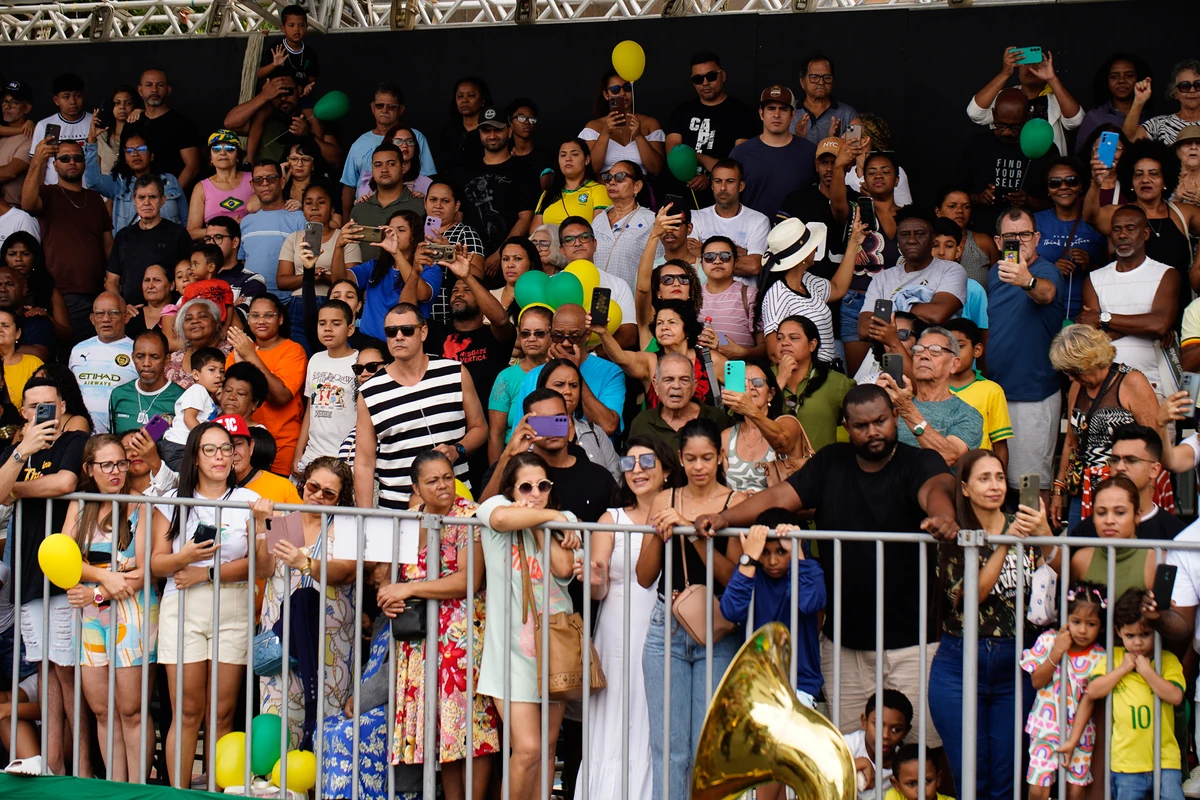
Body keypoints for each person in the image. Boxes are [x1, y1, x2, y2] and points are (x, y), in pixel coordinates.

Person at [694, 384, 959, 738]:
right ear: (846, 427)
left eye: (880, 421)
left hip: (912, 643)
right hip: (843, 644)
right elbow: (779, 496)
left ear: (896, 417)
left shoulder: (919, 461)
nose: (872, 431)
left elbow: (937, 489)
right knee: (847, 754)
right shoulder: (832, 460)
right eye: (861, 426)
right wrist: (725, 518)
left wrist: (943, 516)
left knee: (918, 752)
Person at [149, 421, 271, 789]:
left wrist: (207, 572)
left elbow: (265, 565)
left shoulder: (252, 500)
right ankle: (178, 793)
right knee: (186, 711)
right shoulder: (172, 501)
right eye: (211, 449)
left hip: (232, 606)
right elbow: (156, 563)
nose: (221, 456)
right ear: (195, 457)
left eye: (227, 448)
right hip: (181, 605)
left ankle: (217, 791)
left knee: (222, 713)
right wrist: (183, 556)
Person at [928, 449, 1052, 800]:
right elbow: (969, 596)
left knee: (1008, 774)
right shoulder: (957, 534)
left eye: (999, 477)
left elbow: (1057, 577)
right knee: (971, 775)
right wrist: (1007, 544)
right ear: (965, 488)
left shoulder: (1025, 524)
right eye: (984, 478)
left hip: (1018, 659)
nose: (995, 485)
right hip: (961, 659)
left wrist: (1045, 534)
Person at [376, 450, 499, 798]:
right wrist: (389, 595)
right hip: (418, 637)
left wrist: (410, 588)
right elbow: (390, 578)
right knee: (444, 729)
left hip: (459, 637)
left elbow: (467, 580)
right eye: (433, 480)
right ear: (416, 486)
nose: (444, 485)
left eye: (448, 477)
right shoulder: (409, 518)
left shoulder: (468, 515)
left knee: (472, 728)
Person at [636, 418, 747, 800]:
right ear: (680, 460)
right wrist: (659, 531)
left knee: (706, 744)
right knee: (668, 746)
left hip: (717, 627)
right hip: (665, 624)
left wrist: (693, 532)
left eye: (707, 458)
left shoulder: (737, 503)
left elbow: (735, 579)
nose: (699, 467)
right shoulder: (663, 499)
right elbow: (645, 576)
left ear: (720, 458)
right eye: (691, 459)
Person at [475, 451, 582, 800]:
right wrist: (549, 516)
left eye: (543, 485)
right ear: (510, 489)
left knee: (549, 747)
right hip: (510, 652)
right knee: (528, 749)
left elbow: (564, 568)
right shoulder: (493, 508)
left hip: (554, 647)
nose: (534, 493)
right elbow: (504, 519)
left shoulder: (562, 519)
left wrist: (542, 524)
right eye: (525, 487)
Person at [578, 436, 676, 800]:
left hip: (665, 621)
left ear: (666, 470)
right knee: (616, 715)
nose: (637, 470)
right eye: (628, 463)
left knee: (657, 711)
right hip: (616, 629)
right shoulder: (612, 518)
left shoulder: (679, 512)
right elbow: (598, 584)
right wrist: (594, 576)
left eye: (647, 462)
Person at [0, 376, 88, 776]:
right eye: (33, 408)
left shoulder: (73, 442)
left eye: (48, 406)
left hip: (67, 568)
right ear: (22, 412)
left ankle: (81, 771)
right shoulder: (15, 450)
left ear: (63, 408)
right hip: (29, 569)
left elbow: (65, 482)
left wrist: (14, 489)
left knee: (68, 674)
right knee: (44, 667)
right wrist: (22, 453)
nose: (41, 414)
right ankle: (51, 764)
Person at [61, 433, 157, 783]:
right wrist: (99, 583)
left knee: (132, 710)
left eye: (120, 463)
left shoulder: (140, 504)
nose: (116, 471)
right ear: (90, 468)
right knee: (102, 710)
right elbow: (62, 556)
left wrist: (98, 592)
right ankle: (115, 787)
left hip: (132, 613)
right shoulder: (81, 504)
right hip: (89, 615)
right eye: (106, 465)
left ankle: (138, 787)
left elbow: (144, 568)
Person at [258, 456, 356, 749]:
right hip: (281, 637)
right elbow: (264, 569)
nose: (318, 496)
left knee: (325, 728)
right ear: (303, 484)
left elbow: (346, 571)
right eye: (314, 486)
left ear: (339, 500)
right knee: (279, 727)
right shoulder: (286, 520)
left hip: (327, 643)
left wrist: (306, 563)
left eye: (329, 493)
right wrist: (259, 526)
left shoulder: (345, 525)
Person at [354, 302, 486, 506]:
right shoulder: (370, 392)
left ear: (423, 332)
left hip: (455, 505)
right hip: (396, 510)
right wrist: (365, 519)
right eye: (391, 331)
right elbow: (363, 463)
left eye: (406, 330)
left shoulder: (455, 373)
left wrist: (457, 449)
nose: (398, 336)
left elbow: (480, 427)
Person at [986, 207, 1066, 499]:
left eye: (1025, 234)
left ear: (1037, 237)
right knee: (996, 485)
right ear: (998, 241)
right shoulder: (996, 273)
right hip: (996, 393)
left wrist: (1026, 280)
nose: (1018, 241)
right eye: (1010, 236)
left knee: (1031, 488)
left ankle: (1039, 545)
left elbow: (1045, 293)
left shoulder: (1045, 270)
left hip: (1032, 395)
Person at [1050, 324, 1160, 532]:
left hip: (1125, 491)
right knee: (1080, 555)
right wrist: (1058, 489)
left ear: (1091, 360)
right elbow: (1072, 443)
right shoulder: (1077, 387)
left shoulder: (1132, 382)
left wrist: (1148, 493)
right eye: (1067, 372)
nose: (1071, 378)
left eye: (1075, 370)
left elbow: (1153, 442)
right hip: (1082, 492)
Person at [1083, 587, 1185, 800]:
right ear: (1118, 631)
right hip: (1126, 763)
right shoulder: (1114, 658)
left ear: (1156, 631)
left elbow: (1175, 696)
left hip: (1165, 761)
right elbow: (1093, 690)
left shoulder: (1166, 660)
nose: (1137, 643)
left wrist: (1148, 672)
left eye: (1145, 635)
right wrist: (1122, 669)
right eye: (1130, 635)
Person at [1087, 141, 1199, 329]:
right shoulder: (1119, 215)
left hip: (1178, 315)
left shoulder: (1183, 213)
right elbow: (1091, 217)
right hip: (1126, 314)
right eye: (1138, 174)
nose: (1145, 179)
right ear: (1130, 181)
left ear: (1165, 180)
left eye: (1153, 174)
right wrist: (1095, 184)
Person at [426, 248, 514, 486]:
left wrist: (467, 277)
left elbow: (502, 320)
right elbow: (405, 315)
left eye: (466, 291)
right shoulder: (436, 333)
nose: (458, 294)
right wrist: (414, 272)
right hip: (440, 434)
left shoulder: (492, 336)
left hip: (483, 435)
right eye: (454, 290)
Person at [720, 506, 825, 706]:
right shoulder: (751, 573)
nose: (773, 561)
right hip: (755, 684)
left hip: (799, 685)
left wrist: (797, 552)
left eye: (781, 551)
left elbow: (808, 602)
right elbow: (730, 610)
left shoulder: (809, 570)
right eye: (765, 552)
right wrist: (749, 557)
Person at [1080, 205, 1180, 398]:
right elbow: (1093, 338)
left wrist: (1102, 318)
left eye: (1130, 228)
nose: (1123, 235)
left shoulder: (1166, 274)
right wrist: (1144, 328)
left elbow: (1159, 325)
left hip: (1155, 384)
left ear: (1145, 234)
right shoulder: (1094, 279)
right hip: (1105, 386)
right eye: (1117, 229)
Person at [1019, 583, 1108, 800]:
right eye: (1076, 622)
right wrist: (1057, 652)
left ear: (1101, 627)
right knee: (1039, 788)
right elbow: (1036, 681)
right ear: (1065, 618)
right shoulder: (1049, 640)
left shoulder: (1100, 657)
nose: (1083, 630)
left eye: (1091, 624)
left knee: (1075, 791)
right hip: (1045, 727)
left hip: (1081, 732)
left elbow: (1093, 698)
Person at [20, 136, 113, 341]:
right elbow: (27, 203)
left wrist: (113, 287)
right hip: (61, 293)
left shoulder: (96, 199)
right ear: (54, 164)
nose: (72, 162)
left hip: (98, 293)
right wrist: (37, 161)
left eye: (77, 158)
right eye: (65, 158)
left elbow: (108, 247)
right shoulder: (48, 193)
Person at [483, 388, 618, 526]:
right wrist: (508, 455)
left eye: (558, 420)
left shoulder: (598, 477)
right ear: (528, 426)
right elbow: (483, 513)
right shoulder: (509, 469)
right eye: (543, 423)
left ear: (569, 421)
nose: (552, 429)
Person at [507, 303, 625, 439]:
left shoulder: (610, 372)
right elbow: (523, 432)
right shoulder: (534, 375)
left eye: (574, 337)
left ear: (587, 335)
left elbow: (607, 426)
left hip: (594, 457)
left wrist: (575, 372)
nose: (565, 343)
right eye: (558, 336)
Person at [758, 214, 858, 362]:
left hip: (827, 373)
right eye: (811, 245)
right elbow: (774, 353)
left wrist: (854, 242)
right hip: (806, 379)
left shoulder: (808, 280)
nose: (816, 248)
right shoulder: (777, 294)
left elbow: (837, 288)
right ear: (802, 257)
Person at [877, 328, 983, 466]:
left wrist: (906, 410)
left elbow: (949, 457)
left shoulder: (967, 414)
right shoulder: (893, 405)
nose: (924, 356)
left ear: (954, 364)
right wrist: (877, 403)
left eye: (935, 351)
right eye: (918, 350)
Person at [226, 294, 307, 475]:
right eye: (255, 315)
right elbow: (229, 399)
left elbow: (281, 396)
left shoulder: (293, 350)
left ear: (280, 319)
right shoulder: (237, 353)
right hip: (243, 446)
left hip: (282, 446)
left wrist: (251, 356)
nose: (261, 320)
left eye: (268, 315)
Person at [857, 212, 968, 344]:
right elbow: (864, 329)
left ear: (932, 239)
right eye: (904, 235)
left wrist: (891, 312)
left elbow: (937, 315)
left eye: (920, 234)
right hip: (891, 358)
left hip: (935, 355)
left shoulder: (950, 270)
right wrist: (918, 310)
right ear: (898, 241)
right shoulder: (882, 278)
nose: (912, 240)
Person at [959, 88, 1057, 235]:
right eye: (1001, 125)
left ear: (1028, 117)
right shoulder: (977, 145)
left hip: (1030, 235)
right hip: (984, 233)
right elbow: (957, 195)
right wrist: (979, 198)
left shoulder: (1045, 149)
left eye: (1014, 127)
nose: (1007, 132)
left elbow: (1057, 202)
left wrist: (1028, 201)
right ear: (993, 114)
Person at [454, 107, 537, 274]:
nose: (492, 136)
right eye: (486, 130)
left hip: (509, 261)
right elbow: (458, 214)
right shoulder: (465, 171)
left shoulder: (524, 170)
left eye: (497, 130)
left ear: (509, 131)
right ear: (479, 133)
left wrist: (501, 254)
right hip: (467, 257)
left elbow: (526, 217)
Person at [664, 52, 756, 201]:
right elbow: (672, 149)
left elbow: (739, 160)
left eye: (711, 76)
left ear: (723, 76)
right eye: (698, 79)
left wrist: (704, 168)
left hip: (721, 199)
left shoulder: (741, 112)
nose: (705, 83)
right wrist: (690, 167)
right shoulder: (682, 111)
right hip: (682, 196)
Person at [275, 183, 361, 342]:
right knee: (302, 355)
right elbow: (281, 281)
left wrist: (323, 277)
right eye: (308, 203)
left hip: (334, 304)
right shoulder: (294, 238)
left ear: (333, 210)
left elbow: (351, 282)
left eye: (321, 202)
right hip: (298, 304)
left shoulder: (345, 238)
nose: (314, 207)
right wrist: (309, 275)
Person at [967, 47, 1083, 159]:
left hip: (1047, 168)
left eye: (1037, 62)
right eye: (1026, 62)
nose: (1030, 67)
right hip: (1012, 167)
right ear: (1018, 67)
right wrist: (1005, 73)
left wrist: (1052, 79)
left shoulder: (1057, 98)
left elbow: (1076, 121)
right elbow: (975, 113)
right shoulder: (1006, 98)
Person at [1072, 424, 1183, 542]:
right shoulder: (1085, 531)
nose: (1120, 467)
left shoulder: (1177, 534)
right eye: (1115, 460)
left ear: (1154, 470)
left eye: (1131, 460)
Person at [719, 359, 813, 494]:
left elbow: (781, 440)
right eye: (743, 383)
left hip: (776, 513)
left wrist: (750, 410)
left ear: (770, 394)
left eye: (757, 382)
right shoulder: (727, 437)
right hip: (737, 512)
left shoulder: (788, 423)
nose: (750, 387)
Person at [340, 83, 436, 212]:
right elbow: (349, 186)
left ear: (401, 109)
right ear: (372, 108)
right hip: (368, 212)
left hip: (409, 212)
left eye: (391, 106)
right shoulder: (359, 143)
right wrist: (346, 220)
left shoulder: (415, 137)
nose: (384, 110)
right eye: (380, 106)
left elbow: (428, 181)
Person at [343, 210, 443, 334]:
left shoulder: (429, 267)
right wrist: (338, 247)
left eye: (401, 230)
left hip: (403, 343)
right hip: (368, 344)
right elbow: (341, 280)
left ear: (414, 235)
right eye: (390, 230)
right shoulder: (374, 266)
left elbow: (422, 295)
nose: (394, 234)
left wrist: (396, 253)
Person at [597, 300, 710, 406]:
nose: (664, 327)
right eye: (659, 323)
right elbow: (620, 357)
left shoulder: (709, 359)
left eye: (672, 322)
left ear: (687, 329)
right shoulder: (650, 361)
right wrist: (603, 333)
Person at [1033, 158, 1106, 320]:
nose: (1063, 187)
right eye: (1055, 183)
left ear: (1081, 186)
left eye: (1071, 181)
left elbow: (1113, 269)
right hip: (1043, 312)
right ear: (1047, 189)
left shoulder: (1095, 222)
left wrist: (1089, 264)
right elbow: (1019, 268)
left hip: (1087, 313)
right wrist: (1052, 269)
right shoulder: (1034, 222)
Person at [84, 119, 188, 232]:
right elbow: (93, 181)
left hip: (169, 247)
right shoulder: (118, 182)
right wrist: (91, 142)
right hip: (129, 249)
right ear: (125, 158)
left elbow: (186, 220)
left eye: (141, 149)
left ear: (152, 155)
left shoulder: (169, 180)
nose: (135, 154)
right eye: (129, 150)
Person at [729, 85, 817, 219]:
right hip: (751, 236)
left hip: (797, 236)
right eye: (771, 109)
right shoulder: (740, 153)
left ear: (792, 114)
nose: (777, 115)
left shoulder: (809, 151)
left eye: (783, 109)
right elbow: (728, 199)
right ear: (761, 113)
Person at [103, 175, 192, 305]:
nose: (146, 202)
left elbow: (191, 277)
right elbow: (111, 281)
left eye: (152, 197)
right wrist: (124, 307)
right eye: (141, 197)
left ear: (163, 200)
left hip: (169, 314)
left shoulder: (178, 234)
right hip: (131, 315)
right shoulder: (123, 236)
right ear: (134, 200)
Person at [293, 298, 358, 473]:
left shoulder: (360, 363)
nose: (327, 328)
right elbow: (310, 410)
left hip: (345, 458)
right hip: (312, 455)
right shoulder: (315, 360)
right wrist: (299, 453)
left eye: (336, 323)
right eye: (322, 323)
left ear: (350, 329)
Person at [772, 314, 853, 453]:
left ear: (812, 345)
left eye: (794, 338)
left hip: (821, 470)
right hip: (774, 470)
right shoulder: (761, 377)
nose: (784, 342)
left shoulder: (837, 382)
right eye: (780, 338)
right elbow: (746, 418)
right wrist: (780, 380)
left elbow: (861, 424)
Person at [557, 217, 638, 348]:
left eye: (584, 237)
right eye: (569, 240)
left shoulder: (618, 285)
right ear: (562, 250)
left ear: (595, 243)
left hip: (603, 362)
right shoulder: (550, 285)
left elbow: (629, 335)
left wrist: (592, 356)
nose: (577, 243)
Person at [535, 358, 621, 481]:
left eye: (574, 385)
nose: (568, 391)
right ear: (543, 388)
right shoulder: (531, 433)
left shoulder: (595, 433)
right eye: (559, 385)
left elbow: (618, 481)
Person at [944, 319, 1013, 468]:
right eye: (946, 349)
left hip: (979, 474)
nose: (953, 354)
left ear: (977, 350)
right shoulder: (933, 389)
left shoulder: (991, 391)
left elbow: (1000, 446)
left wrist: (997, 481)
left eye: (960, 346)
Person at [488, 304, 553, 460]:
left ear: (553, 334)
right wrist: (496, 476)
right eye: (525, 333)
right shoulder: (506, 377)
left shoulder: (561, 373)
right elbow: (495, 435)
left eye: (539, 333)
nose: (531, 339)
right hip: (516, 461)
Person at [628, 352, 730, 452]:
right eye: (668, 379)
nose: (676, 386)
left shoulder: (716, 419)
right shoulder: (642, 423)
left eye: (684, 380)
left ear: (694, 386)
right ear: (656, 386)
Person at [67, 292, 136, 434]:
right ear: (92, 319)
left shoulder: (138, 351)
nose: (106, 319)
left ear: (126, 316)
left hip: (118, 439)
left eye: (114, 313)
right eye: (99, 313)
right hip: (78, 436)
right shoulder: (78, 350)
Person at [238, 160, 306, 300]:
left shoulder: (300, 218)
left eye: (271, 178)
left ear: (282, 182)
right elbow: (242, 262)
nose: (264, 183)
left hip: (291, 299)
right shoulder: (245, 222)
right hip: (252, 300)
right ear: (252, 186)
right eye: (258, 180)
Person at [689, 160, 769, 278]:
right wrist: (739, 253)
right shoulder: (696, 217)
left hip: (742, 295)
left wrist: (703, 252)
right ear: (712, 185)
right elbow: (688, 257)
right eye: (718, 181)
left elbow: (754, 266)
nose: (723, 188)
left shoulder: (758, 220)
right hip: (702, 294)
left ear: (741, 186)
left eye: (730, 181)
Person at [420, 180, 485, 324]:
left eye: (445, 201)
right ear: (425, 203)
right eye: (433, 200)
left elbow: (478, 275)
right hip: (417, 314)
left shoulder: (465, 233)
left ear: (456, 206)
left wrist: (449, 252)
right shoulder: (415, 232)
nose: (438, 205)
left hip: (449, 315)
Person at [580, 70, 665, 175]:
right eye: (615, 90)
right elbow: (590, 170)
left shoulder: (650, 124)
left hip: (639, 189)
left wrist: (639, 135)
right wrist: (605, 133)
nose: (623, 93)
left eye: (627, 87)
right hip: (604, 189)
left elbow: (656, 169)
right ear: (606, 95)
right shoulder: (593, 127)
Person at [593, 160, 658, 291]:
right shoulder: (598, 220)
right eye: (608, 177)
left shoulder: (650, 221)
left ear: (637, 186)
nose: (612, 182)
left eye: (620, 177)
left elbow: (658, 266)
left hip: (632, 301)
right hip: (596, 302)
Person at [132, 68, 201, 192]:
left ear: (168, 90)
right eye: (149, 85)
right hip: (136, 199)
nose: (154, 89)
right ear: (140, 90)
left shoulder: (183, 124)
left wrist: (169, 195)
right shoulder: (132, 124)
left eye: (160, 85)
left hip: (172, 197)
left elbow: (193, 166)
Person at [108, 329, 183, 435]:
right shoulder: (119, 394)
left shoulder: (181, 397)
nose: (146, 363)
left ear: (167, 359)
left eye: (154, 357)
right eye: (140, 357)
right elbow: (113, 440)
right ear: (133, 357)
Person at [161, 346, 225, 469]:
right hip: (179, 445)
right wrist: (207, 440)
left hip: (184, 445)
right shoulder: (197, 390)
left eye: (222, 371)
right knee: (186, 480)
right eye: (212, 370)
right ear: (195, 374)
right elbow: (189, 418)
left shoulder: (207, 397)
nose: (218, 376)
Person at [2, 232, 72, 345]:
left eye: (25, 254)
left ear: (35, 257)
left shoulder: (47, 289)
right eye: (12, 254)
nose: (18, 259)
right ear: (4, 257)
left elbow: (67, 335)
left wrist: (47, 318)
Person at [186, 130, 255, 239]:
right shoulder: (201, 187)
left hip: (251, 242)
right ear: (210, 158)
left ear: (238, 156)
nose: (222, 153)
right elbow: (192, 232)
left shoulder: (254, 178)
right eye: (216, 149)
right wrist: (225, 230)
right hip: (217, 249)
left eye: (230, 149)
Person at [844, 690, 912, 800]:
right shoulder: (849, 745)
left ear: (906, 732)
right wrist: (855, 765)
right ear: (864, 722)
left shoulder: (903, 766)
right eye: (878, 725)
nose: (885, 735)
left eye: (896, 729)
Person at [1076, 53, 1151, 150]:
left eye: (1129, 75)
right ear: (1107, 82)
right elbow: (1081, 158)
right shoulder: (1094, 118)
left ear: (1139, 79)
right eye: (1114, 77)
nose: (1121, 80)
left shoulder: (1151, 118)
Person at [532, 137, 611, 230]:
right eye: (563, 155)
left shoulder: (600, 190)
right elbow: (535, 232)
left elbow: (600, 231)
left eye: (574, 154)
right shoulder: (547, 194)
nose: (568, 159)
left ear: (587, 160)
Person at [28, 73, 92, 185]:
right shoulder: (44, 126)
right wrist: (40, 195)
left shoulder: (95, 122)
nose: (73, 101)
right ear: (56, 100)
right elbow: (39, 164)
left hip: (91, 193)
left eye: (77, 96)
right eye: (66, 97)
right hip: (54, 195)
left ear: (83, 96)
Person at [933, 187, 1001, 287]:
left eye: (966, 207)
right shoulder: (927, 241)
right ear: (938, 211)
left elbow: (998, 281)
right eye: (952, 206)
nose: (960, 210)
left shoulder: (983, 242)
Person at [1124, 59, 1200, 145]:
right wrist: (1138, 102)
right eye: (1184, 86)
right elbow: (1129, 138)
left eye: (1198, 85)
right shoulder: (1161, 124)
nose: (1192, 90)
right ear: (1174, 92)